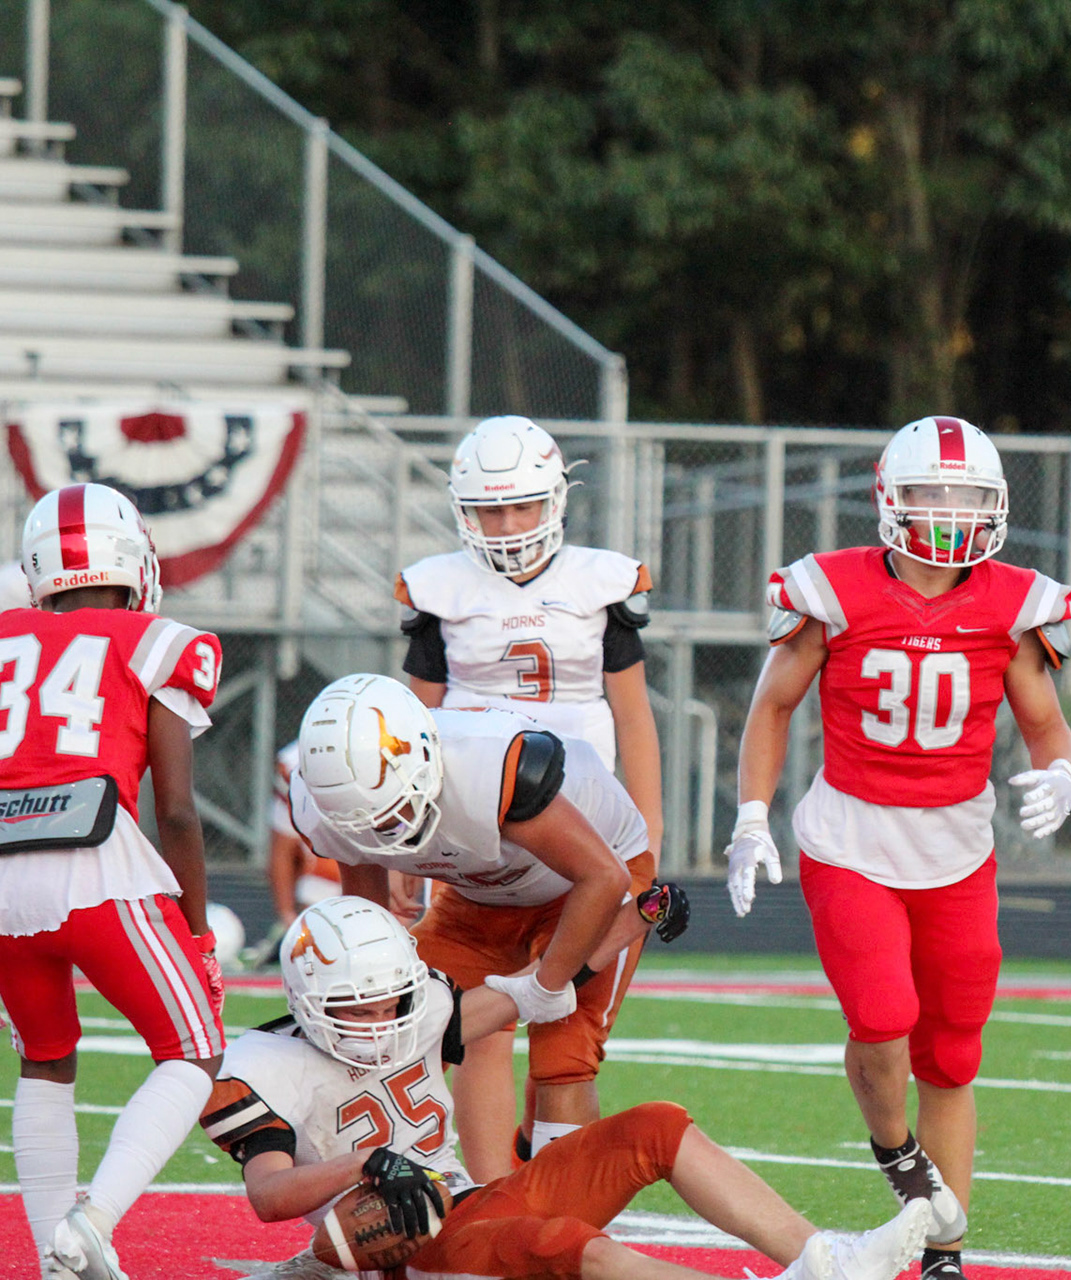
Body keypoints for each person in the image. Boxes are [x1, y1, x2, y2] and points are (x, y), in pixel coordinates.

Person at [723, 416, 1071, 1280]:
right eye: (934, 492)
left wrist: (1064, 771)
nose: (952, 511)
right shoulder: (834, 591)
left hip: (958, 846)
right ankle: (896, 1151)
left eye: (969, 496)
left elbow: (1046, 723)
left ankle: (944, 1255)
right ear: (892, 498)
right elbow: (773, 706)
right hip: (852, 836)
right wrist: (751, 815)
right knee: (883, 1018)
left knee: (953, 1054)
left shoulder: (1011, 604)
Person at [202, 897, 930, 1280]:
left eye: (391, 1000)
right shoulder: (265, 1064)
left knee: (654, 1125)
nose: (381, 1021)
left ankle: (825, 1262)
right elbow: (268, 1195)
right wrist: (365, 1164)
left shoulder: (418, 1011)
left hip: (474, 1204)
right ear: (308, 1003)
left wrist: (631, 921)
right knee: (578, 1248)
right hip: (406, 1246)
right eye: (355, 1008)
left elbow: (535, 990)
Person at [395, 414, 665, 1173]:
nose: (509, 526)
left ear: (556, 501)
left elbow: (633, 716)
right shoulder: (442, 589)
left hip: (585, 835)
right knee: (471, 1029)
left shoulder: (599, 582)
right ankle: (494, 1204)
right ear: (462, 511)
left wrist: (649, 833)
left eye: (523, 506)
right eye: (491, 510)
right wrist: (404, 855)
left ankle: (555, 1202)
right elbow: (407, 726)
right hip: (476, 836)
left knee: (566, 1050)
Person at [288, 674, 684, 1184]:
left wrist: (544, 986)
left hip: (585, 882)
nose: (382, 836)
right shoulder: (326, 807)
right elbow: (367, 919)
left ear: (424, 761)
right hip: (476, 891)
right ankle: (467, 1196)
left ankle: (565, 1215)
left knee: (563, 1053)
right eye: (365, 826)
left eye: (389, 816)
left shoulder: (494, 769)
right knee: (391, 1032)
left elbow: (603, 878)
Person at [0, 484, 225, 1280]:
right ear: (134, 563)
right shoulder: (158, 640)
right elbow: (178, 811)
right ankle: (91, 1223)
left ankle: (53, 1260)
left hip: (3, 874)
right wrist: (197, 932)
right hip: (99, 865)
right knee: (194, 1052)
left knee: (45, 1061)